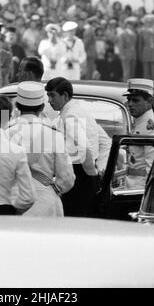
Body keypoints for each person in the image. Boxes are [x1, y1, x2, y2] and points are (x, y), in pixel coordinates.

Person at [7, 82, 75, 217]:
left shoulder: (6, 133)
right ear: (42, 107)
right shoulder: (54, 135)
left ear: (17, 106)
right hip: (46, 204)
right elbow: (67, 178)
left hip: (13, 201)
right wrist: (52, 188)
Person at [46, 77, 101, 217]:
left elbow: (85, 148)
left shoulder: (70, 115)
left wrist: (92, 175)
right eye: (48, 96)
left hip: (80, 175)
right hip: (82, 173)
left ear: (64, 95)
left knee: (74, 219)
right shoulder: (74, 110)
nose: (49, 100)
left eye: (52, 95)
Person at [122, 79, 154, 189]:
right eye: (129, 100)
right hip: (132, 184)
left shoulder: (152, 128)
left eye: (135, 100)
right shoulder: (139, 122)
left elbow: (153, 169)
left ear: (149, 101)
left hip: (141, 188)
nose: (130, 104)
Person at [138, 14, 154, 91]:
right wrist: (140, 54)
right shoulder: (142, 30)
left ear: (153, 21)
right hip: (145, 52)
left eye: (151, 21)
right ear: (145, 22)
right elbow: (140, 44)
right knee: (146, 72)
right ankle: (146, 89)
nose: (149, 23)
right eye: (147, 21)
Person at [118, 16, 137, 82]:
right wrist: (122, 55)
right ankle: (125, 86)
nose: (131, 26)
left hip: (133, 55)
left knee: (132, 71)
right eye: (129, 24)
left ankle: (131, 86)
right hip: (126, 55)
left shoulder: (134, 33)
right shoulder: (123, 34)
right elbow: (121, 46)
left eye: (132, 25)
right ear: (127, 25)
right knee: (126, 72)